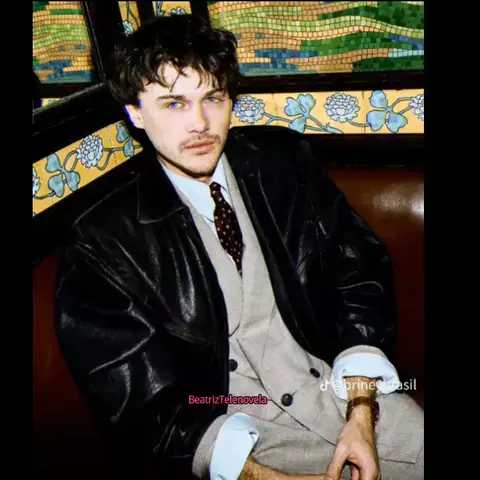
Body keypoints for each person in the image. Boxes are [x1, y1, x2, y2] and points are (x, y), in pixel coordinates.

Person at [54, 14, 424, 480]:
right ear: (135, 113)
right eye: (174, 103)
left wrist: (361, 410)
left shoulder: (283, 164)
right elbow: (142, 407)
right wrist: (261, 476)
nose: (200, 123)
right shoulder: (104, 241)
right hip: (232, 431)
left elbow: (359, 272)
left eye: (213, 98)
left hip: (339, 389)